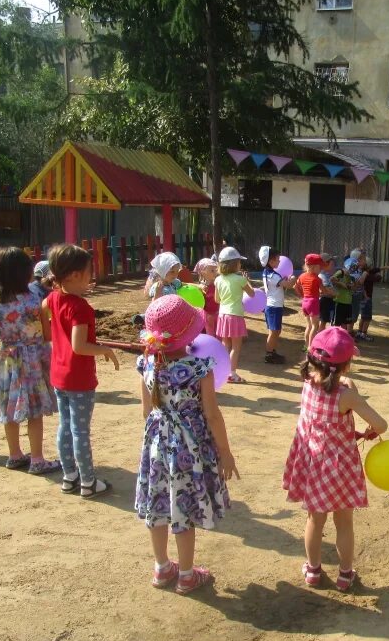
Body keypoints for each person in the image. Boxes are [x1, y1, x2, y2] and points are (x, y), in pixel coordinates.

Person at [135, 295, 238, 594]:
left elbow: (146, 411)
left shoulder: (146, 363)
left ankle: (162, 568)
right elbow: (212, 414)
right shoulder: (200, 366)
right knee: (183, 508)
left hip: (156, 445)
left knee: (158, 504)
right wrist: (225, 453)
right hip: (188, 448)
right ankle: (187, 574)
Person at [282, 328, 388, 591]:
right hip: (339, 468)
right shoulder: (347, 394)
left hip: (313, 462)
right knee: (344, 522)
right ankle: (345, 575)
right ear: (347, 364)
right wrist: (368, 424)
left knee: (314, 520)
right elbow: (381, 424)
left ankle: (313, 571)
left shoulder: (307, 383)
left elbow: (323, 423)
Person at [45, 243, 119, 499]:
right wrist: (105, 350)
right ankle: (88, 481)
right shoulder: (81, 307)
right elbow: (80, 346)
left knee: (65, 427)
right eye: (89, 272)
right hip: (78, 379)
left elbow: (43, 310)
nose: (92, 277)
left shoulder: (53, 298)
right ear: (75, 275)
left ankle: (69, 477)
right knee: (80, 431)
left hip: (59, 374)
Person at [0, 246, 60, 474]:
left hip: (8, 360)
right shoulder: (35, 300)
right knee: (34, 410)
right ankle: (37, 459)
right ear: (25, 273)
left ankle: (15, 454)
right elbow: (48, 334)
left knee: (10, 407)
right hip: (35, 358)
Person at [214, 246, 255, 385]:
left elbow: (216, 300)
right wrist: (246, 280)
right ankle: (231, 374)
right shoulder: (240, 280)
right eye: (238, 262)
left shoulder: (218, 280)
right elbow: (252, 294)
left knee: (225, 344)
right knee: (236, 348)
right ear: (234, 264)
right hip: (235, 315)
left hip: (223, 315)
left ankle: (223, 371)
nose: (240, 264)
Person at [259, 246, 295, 364]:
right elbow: (288, 285)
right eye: (277, 259)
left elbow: (279, 284)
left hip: (273, 306)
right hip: (274, 307)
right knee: (274, 331)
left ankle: (272, 352)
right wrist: (293, 279)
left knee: (275, 331)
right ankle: (269, 354)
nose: (280, 261)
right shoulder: (272, 275)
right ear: (270, 261)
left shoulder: (269, 273)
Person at [295, 253, 328, 348]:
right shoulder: (317, 279)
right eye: (320, 267)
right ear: (314, 267)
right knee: (315, 326)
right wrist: (328, 292)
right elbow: (324, 291)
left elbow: (296, 287)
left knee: (309, 326)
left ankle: (305, 346)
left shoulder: (301, 276)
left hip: (305, 302)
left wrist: (302, 295)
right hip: (313, 303)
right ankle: (310, 347)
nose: (321, 269)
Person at [355, 252, 381, 343]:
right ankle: (363, 333)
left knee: (363, 316)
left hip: (362, 298)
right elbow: (377, 278)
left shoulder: (362, 273)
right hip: (367, 298)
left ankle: (359, 331)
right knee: (367, 317)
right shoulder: (368, 275)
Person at [194, 257, 220, 336]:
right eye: (212, 270)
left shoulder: (218, 283)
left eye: (216, 270)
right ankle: (212, 344)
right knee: (210, 332)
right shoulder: (202, 287)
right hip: (207, 314)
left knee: (219, 331)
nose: (215, 273)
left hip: (218, 312)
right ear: (203, 272)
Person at [346, 248, 369, 339]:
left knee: (354, 314)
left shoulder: (358, 270)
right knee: (352, 314)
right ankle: (348, 332)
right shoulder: (353, 270)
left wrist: (364, 294)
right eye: (363, 259)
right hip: (353, 296)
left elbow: (360, 287)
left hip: (357, 295)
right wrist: (364, 274)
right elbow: (358, 283)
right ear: (357, 260)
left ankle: (349, 331)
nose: (365, 261)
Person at [331, 257, 356, 329]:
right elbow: (332, 279)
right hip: (339, 302)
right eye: (352, 267)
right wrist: (341, 284)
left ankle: (342, 337)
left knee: (345, 323)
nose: (354, 269)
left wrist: (351, 286)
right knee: (336, 323)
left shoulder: (352, 277)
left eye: (355, 267)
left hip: (348, 303)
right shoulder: (341, 272)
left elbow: (354, 288)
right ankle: (334, 338)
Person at [318, 253, 336, 331]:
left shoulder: (327, 275)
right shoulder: (323, 275)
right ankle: (320, 338)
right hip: (324, 301)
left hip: (328, 300)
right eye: (331, 263)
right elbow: (327, 289)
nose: (333, 265)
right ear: (325, 264)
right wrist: (336, 293)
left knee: (325, 321)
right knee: (323, 321)